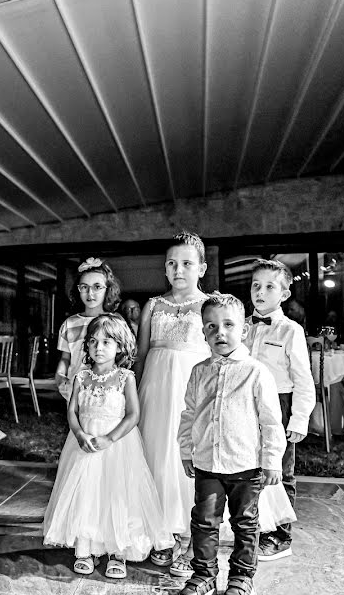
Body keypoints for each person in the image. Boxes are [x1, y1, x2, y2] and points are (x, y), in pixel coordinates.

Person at [43, 314, 174, 579]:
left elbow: (133, 416)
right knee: (87, 494)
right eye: (93, 342)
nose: (99, 347)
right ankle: (86, 547)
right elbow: (72, 412)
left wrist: (110, 438)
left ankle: (117, 552)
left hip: (117, 447)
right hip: (85, 445)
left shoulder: (125, 377)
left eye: (107, 342)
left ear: (120, 347)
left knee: (117, 495)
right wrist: (80, 434)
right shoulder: (81, 377)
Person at [178, 293, 285, 595]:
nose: (219, 332)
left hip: (246, 465)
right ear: (203, 333)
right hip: (208, 464)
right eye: (211, 326)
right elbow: (189, 413)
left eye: (228, 325)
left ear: (244, 329)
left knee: (245, 523)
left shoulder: (256, 372)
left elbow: (270, 421)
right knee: (203, 521)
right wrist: (186, 450)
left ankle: (241, 576)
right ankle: (204, 575)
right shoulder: (200, 371)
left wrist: (272, 461)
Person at [134, 230, 210, 577]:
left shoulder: (210, 305)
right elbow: (142, 354)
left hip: (192, 386)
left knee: (188, 454)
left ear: (202, 268)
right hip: (156, 385)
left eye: (187, 263)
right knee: (156, 451)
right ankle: (159, 528)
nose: (178, 270)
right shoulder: (153, 305)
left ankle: (191, 531)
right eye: (172, 263)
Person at [244, 260, 312, 562]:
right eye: (256, 285)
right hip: (245, 403)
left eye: (270, 286)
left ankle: (281, 535)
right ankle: (250, 527)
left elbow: (303, 378)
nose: (260, 291)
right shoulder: (241, 325)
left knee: (280, 470)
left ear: (284, 294)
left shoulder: (291, 331)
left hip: (279, 404)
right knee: (247, 467)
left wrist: (299, 418)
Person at [55, 258, 121, 401]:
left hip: (106, 392)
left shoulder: (114, 322)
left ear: (108, 289)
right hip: (75, 392)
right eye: (84, 287)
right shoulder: (70, 324)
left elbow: (122, 360)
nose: (90, 293)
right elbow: (65, 358)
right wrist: (60, 377)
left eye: (97, 287)